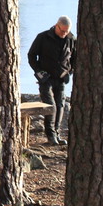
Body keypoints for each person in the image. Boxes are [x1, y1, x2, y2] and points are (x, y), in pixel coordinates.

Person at [27, 16, 76, 145]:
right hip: (46, 78)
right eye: (62, 31)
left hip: (61, 78)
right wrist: (39, 72)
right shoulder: (43, 37)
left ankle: (57, 133)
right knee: (51, 106)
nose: (64, 34)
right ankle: (50, 135)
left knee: (60, 106)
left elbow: (75, 59)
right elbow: (31, 55)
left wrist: (69, 72)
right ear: (56, 26)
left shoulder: (71, 39)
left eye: (67, 31)